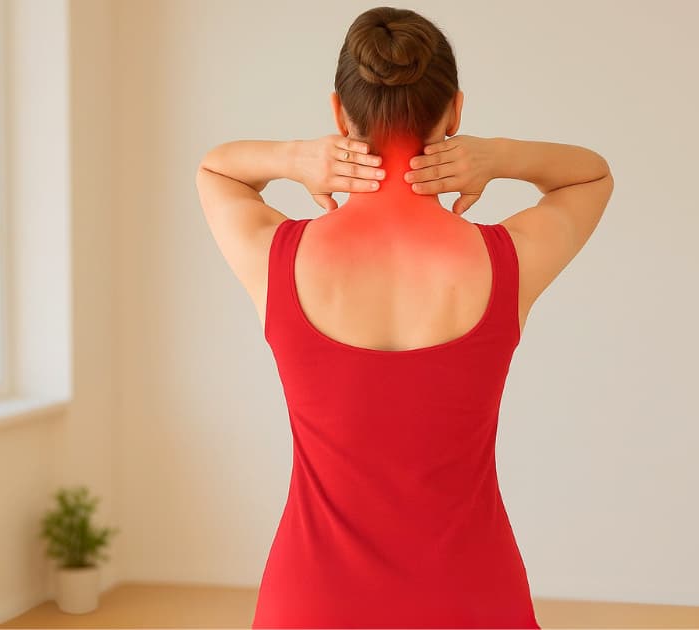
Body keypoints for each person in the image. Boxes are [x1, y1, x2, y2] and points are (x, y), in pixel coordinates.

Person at [196, 6, 613, 628]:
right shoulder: (506, 262)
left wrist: (297, 158)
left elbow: (217, 169)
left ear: (340, 113)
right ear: (455, 112)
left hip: (313, 602)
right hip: (474, 598)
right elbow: (590, 175)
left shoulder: (278, 260)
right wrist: (497, 156)